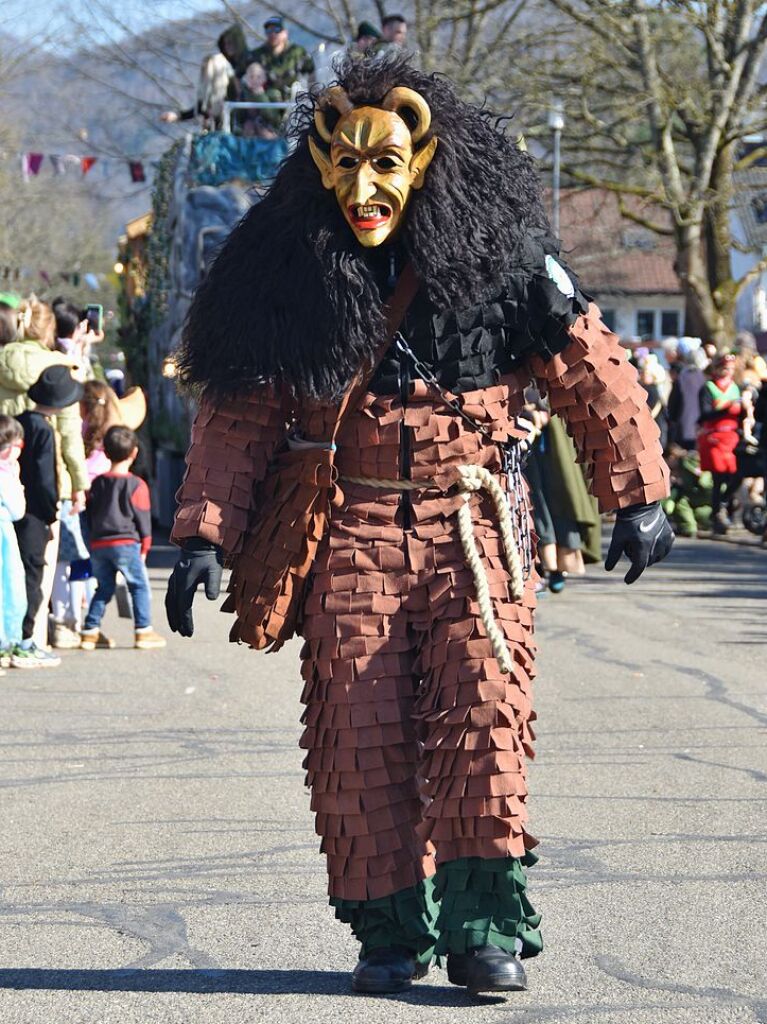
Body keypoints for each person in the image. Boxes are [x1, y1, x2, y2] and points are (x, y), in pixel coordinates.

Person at [165, 55, 673, 996]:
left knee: (484, 723)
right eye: (344, 165)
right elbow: (238, 412)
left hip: (474, 529)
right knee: (359, 738)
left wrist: (637, 491)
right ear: (318, 165)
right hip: (349, 532)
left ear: (427, 155)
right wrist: (203, 531)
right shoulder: (282, 273)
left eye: (385, 164)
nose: (365, 189)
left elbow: (588, 368)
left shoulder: (511, 260)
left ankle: (487, 929)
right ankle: (389, 931)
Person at [0, 298, 89, 650]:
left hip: (6, 474)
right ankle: (29, 639)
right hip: (47, 485)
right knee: (40, 567)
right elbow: (70, 434)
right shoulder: (57, 368)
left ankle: (7, 635)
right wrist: (80, 484)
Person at [14, 366, 85, 667]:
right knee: (33, 576)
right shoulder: (44, 429)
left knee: (14, 576)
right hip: (34, 513)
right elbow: (44, 478)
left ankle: (15, 637)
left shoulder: (20, 422)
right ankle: (25, 641)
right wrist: (50, 513)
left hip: (13, 508)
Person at [81, 426, 165, 651]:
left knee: (104, 587)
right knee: (138, 585)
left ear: (105, 453)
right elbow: (143, 518)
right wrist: (145, 545)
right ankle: (143, 630)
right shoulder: (137, 485)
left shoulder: (97, 483)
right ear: (134, 452)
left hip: (99, 543)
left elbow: (90, 515)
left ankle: (90, 630)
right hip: (126, 543)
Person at [697, 352, 742, 535]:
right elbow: (705, 414)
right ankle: (718, 514)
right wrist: (726, 408)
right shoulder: (708, 388)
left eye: (731, 369)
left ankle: (725, 506)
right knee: (719, 478)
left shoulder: (736, 388)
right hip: (714, 438)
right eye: (724, 368)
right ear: (716, 369)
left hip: (732, 438)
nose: (728, 372)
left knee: (737, 475)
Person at [0, 415, 28, 671]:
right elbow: (18, 510)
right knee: (9, 588)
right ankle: (5, 642)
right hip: (4, 537)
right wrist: (18, 481)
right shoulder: (6, 475)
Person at [249, 16, 315, 101]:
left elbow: (311, 72)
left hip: (293, 101)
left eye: (277, 30)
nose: (272, 34)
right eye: (268, 30)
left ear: (285, 33)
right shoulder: (257, 55)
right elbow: (241, 74)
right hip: (267, 103)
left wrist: (313, 95)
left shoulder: (297, 52)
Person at [232, 62, 284, 137]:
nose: (255, 80)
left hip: (269, 131)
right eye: (251, 77)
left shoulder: (273, 93)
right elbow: (239, 118)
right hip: (249, 131)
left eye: (258, 77)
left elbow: (274, 118)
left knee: (265, 132)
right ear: (246, 79)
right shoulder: (243, 94)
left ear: (264, 78)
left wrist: (261, 96)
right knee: (248, 126)